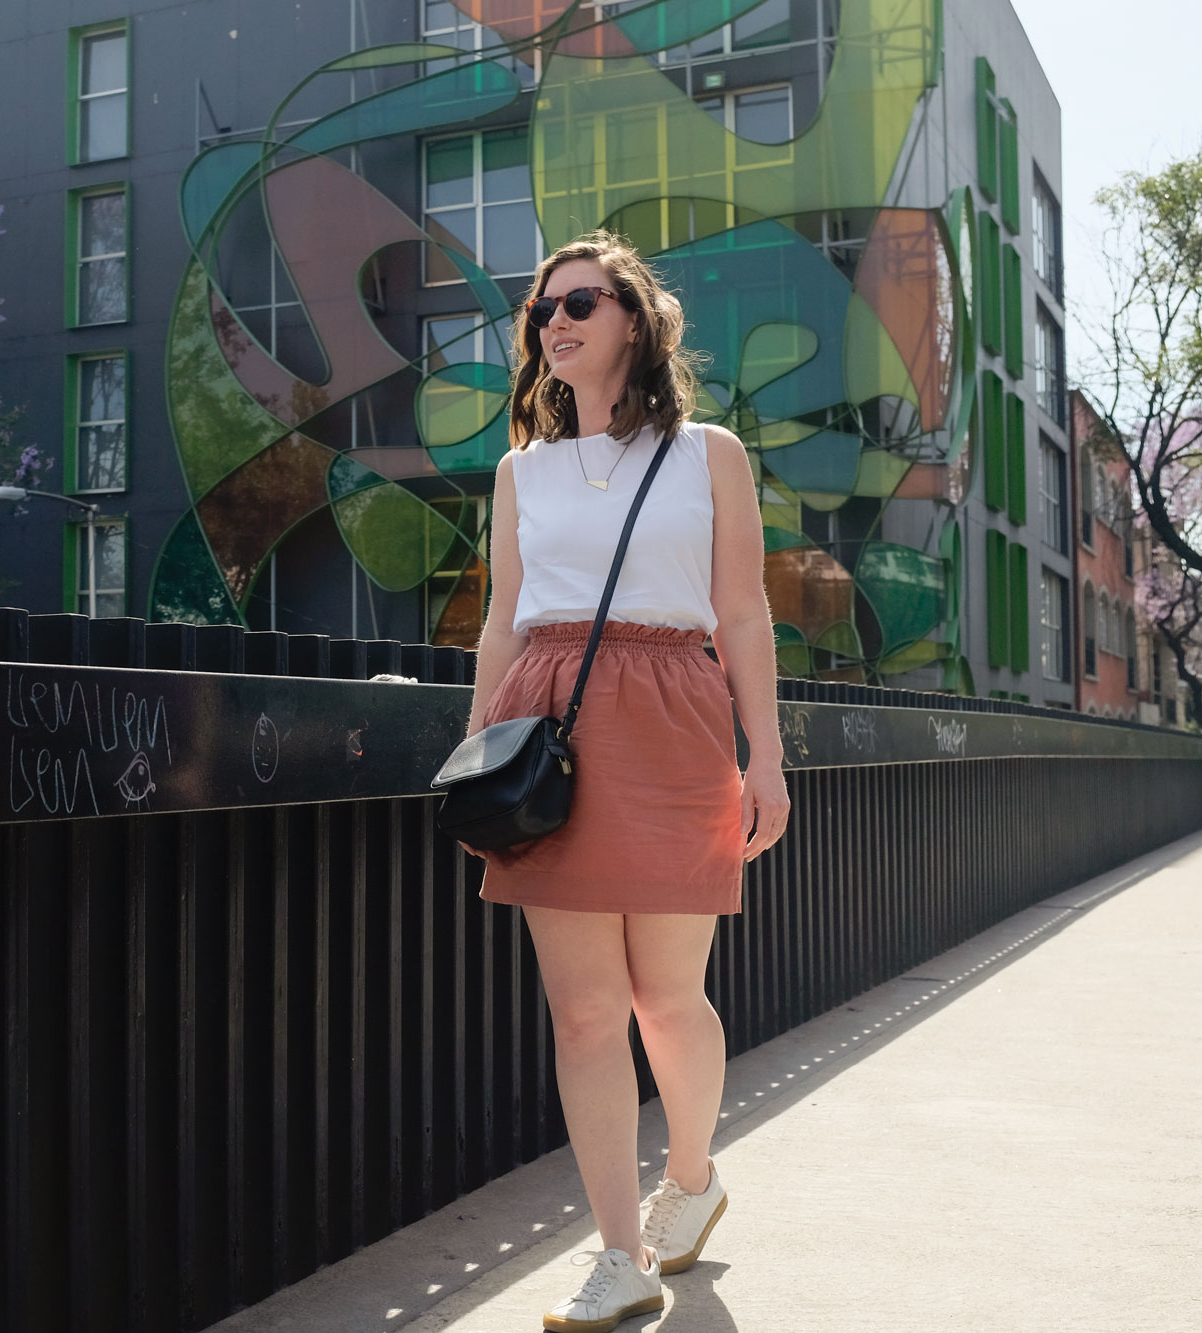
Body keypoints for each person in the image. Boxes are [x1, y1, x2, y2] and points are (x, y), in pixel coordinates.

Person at [460, 231, 790, 1332]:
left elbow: (741, 611)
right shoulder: (519, 471)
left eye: (578, 302)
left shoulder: (710, 455)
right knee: (585, 1012)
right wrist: (473, 762)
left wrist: (766, 757)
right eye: (539, 309)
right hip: (549, 720)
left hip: (670, 713)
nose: (553, 321)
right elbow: (502, 620)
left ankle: (689, 1180)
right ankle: (616, 1252)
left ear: (633, 321)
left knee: (664, 996)